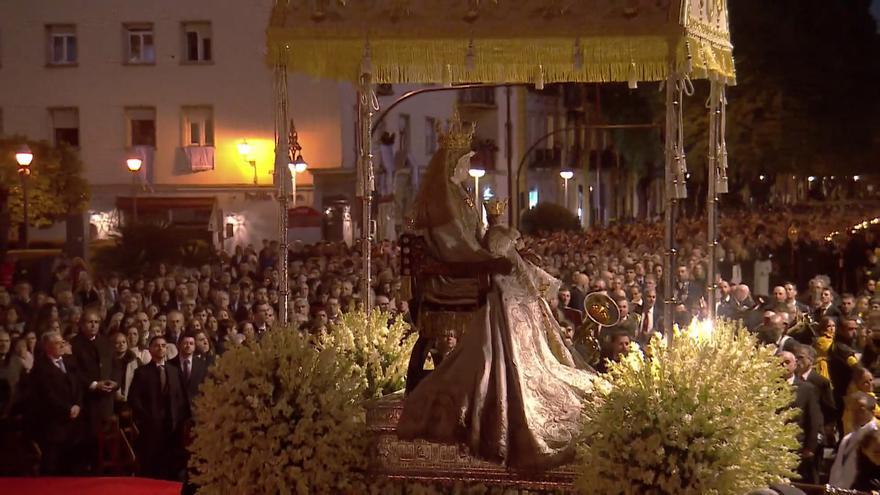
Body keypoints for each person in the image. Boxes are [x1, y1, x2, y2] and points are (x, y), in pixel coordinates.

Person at [397, 117, 597, 470]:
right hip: (454, 279)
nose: (470, 166)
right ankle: (511, 371)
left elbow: (476, 238)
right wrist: (491, 259)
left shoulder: (461, 196)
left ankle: (535, 358)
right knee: (507, 286)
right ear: (455, 165)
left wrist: (495, 243)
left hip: (474, 269)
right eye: (466, 162)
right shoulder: (444, 202)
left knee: (514, 279)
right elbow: (456, 248)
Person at [128, 335, 190, 480]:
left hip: (173, 425)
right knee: (152, 464)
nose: (161, 348)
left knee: (172, 463)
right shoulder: (141, 373)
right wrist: (146, 418)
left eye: (163, 345)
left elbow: (181, 397)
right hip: (151, 426)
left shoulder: (174, 371)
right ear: (150, 349)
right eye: (157, 345)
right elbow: (134, 399)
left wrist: (182, 420)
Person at [29, 331, 84, 475]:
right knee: (52, 466)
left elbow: (78, 385)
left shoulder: (70, 362)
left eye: (63, 342)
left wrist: (78, 404)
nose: (61, 345)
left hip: (73, 424)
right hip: (54, 424)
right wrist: (68, 408)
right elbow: (48, 395)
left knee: (71, 464)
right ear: (47, 347)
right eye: (57, 343)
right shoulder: (40, 368)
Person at [830, 392, 879, 489]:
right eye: (852, 409)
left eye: (860, 409)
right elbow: (837, 471)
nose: (854, 413)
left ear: (872, 411)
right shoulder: (847, 439)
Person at [169, 332, 208, 403]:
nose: (188, 346)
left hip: (196, 406)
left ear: (195, 346)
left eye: (191, 343)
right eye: (185, 343)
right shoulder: (170, 364)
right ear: (179, 344)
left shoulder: (202, 364)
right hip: (176, 407)